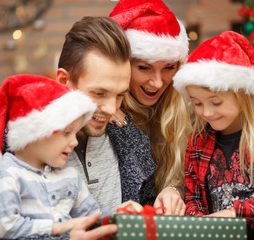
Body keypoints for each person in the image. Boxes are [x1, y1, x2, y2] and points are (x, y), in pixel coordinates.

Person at [0, 16, 156, 240]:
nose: (111, 108)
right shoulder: (14, 140)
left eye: (120, 95)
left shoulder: (132, 139)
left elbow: (149, 219)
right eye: (99, 93)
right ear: (64, 80)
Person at [173, 31, 254, 239]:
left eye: (215, 102)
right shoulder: (198, 141)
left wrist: (234, 213)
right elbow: (193, 197)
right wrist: (199, 225)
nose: (206, 112)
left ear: (242, 95)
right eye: (197, 103)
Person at [0, 74, 100, 239]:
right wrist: (56, 228)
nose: (74, 142)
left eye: (75, 133)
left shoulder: (70, 176)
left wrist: (118, 219)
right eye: (67, 133)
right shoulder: (7, 174)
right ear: (35, 133)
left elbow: (92, 218)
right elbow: (5, 226)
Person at [108, 0, 193, 215]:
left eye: (168, 68)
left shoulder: (186, 105)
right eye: (144, 67)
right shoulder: (102, 117)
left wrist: (175, 190)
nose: (156, 82)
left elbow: (189, 180)